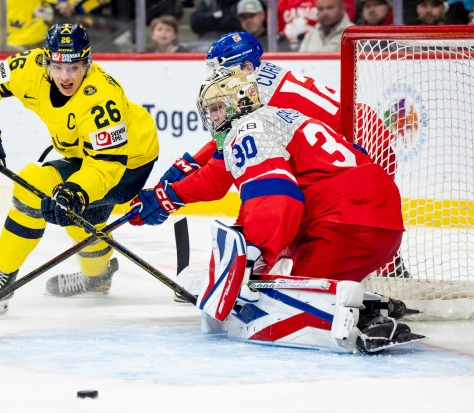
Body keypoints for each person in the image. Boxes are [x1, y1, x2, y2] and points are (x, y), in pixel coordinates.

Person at [133, 66, 422, 353]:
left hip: (341, 223)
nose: (213, 116)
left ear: (238, 103)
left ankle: (360, 318)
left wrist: (251, 254)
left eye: (218, 107)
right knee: (297, 285)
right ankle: (371, 306)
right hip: (378, 221)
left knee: (290, 302)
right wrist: (166, 197)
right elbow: (216, 177)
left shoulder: (247, 130)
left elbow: (276, 197)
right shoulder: (277, 117)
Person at [0, 23, 159, 314]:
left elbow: (106, 164)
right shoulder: (28, 66)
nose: (65, 76)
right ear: (46, 60)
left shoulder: (102, 96)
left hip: (127, 161)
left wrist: (75, 190)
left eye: (74, 67)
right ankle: (91, 277)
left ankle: (13, 278)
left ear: (88, 63)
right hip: (81, 152)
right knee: (58, 202)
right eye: (58, 66)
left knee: (57, 200)